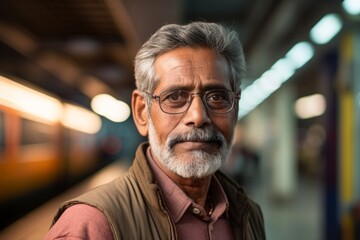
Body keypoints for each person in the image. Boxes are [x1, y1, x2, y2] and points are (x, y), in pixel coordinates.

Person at [45, 21, 265, 240]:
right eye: (175, 97)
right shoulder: (91, 225)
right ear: (142, 112)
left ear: (234, 112)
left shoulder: (247, 214)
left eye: (217, 97)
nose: (198, 117)